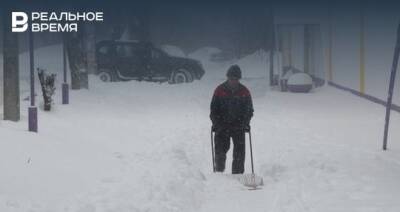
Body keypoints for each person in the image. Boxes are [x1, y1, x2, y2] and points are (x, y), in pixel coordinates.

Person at [210, 65, 254, 174]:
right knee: (220, 152)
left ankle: (237, 175)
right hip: (222, 126)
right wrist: (217, 123)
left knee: (239, 154)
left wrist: (244, 123)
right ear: (227, 78)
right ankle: (219, 174)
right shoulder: (219, 90)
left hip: (238, 126)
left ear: (239, 79)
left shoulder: (244, 91)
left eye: (236, 79)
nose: (233, 81)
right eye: (231, 79)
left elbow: (249, 111)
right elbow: (213, 110)